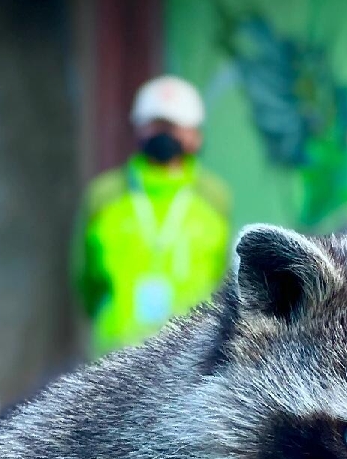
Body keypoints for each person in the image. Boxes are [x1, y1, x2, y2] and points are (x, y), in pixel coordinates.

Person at [73, 75, 233, 358]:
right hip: (114, 357)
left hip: (189, 359)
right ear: (138, 129)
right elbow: (87, 283)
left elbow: (220, 277)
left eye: (173, 127)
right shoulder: (105, 195)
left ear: (196, 135)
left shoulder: (214, 197)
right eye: (155, 125)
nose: (164, 135)